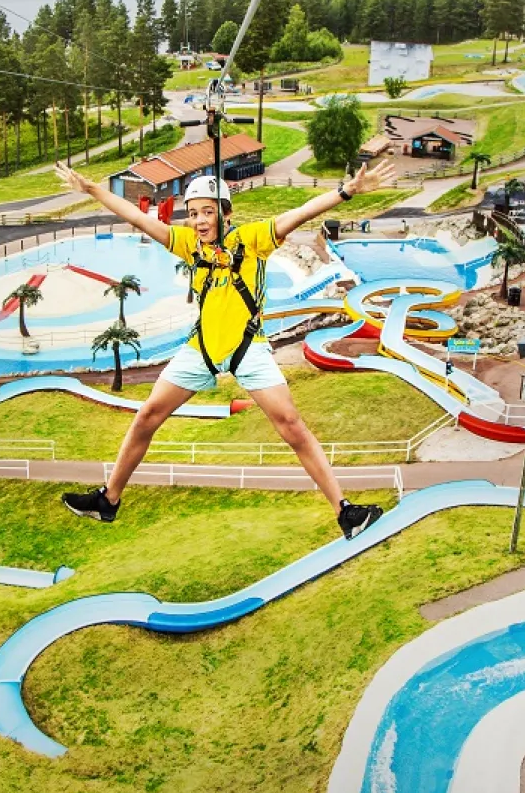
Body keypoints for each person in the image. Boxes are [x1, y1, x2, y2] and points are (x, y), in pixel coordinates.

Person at [56, 157, 398, 540]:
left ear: (225, 213)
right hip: (201, 347)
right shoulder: (188, 244)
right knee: (147, 415)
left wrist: (347, 191)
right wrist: (91, 189)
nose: (199, 220)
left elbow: (299, 214)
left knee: (291, 425)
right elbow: (139, 220)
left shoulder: (251, 240)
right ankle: (109, 501)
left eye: (207, 212)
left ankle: (346, 512)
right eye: (193, 213)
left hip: (247, 347)